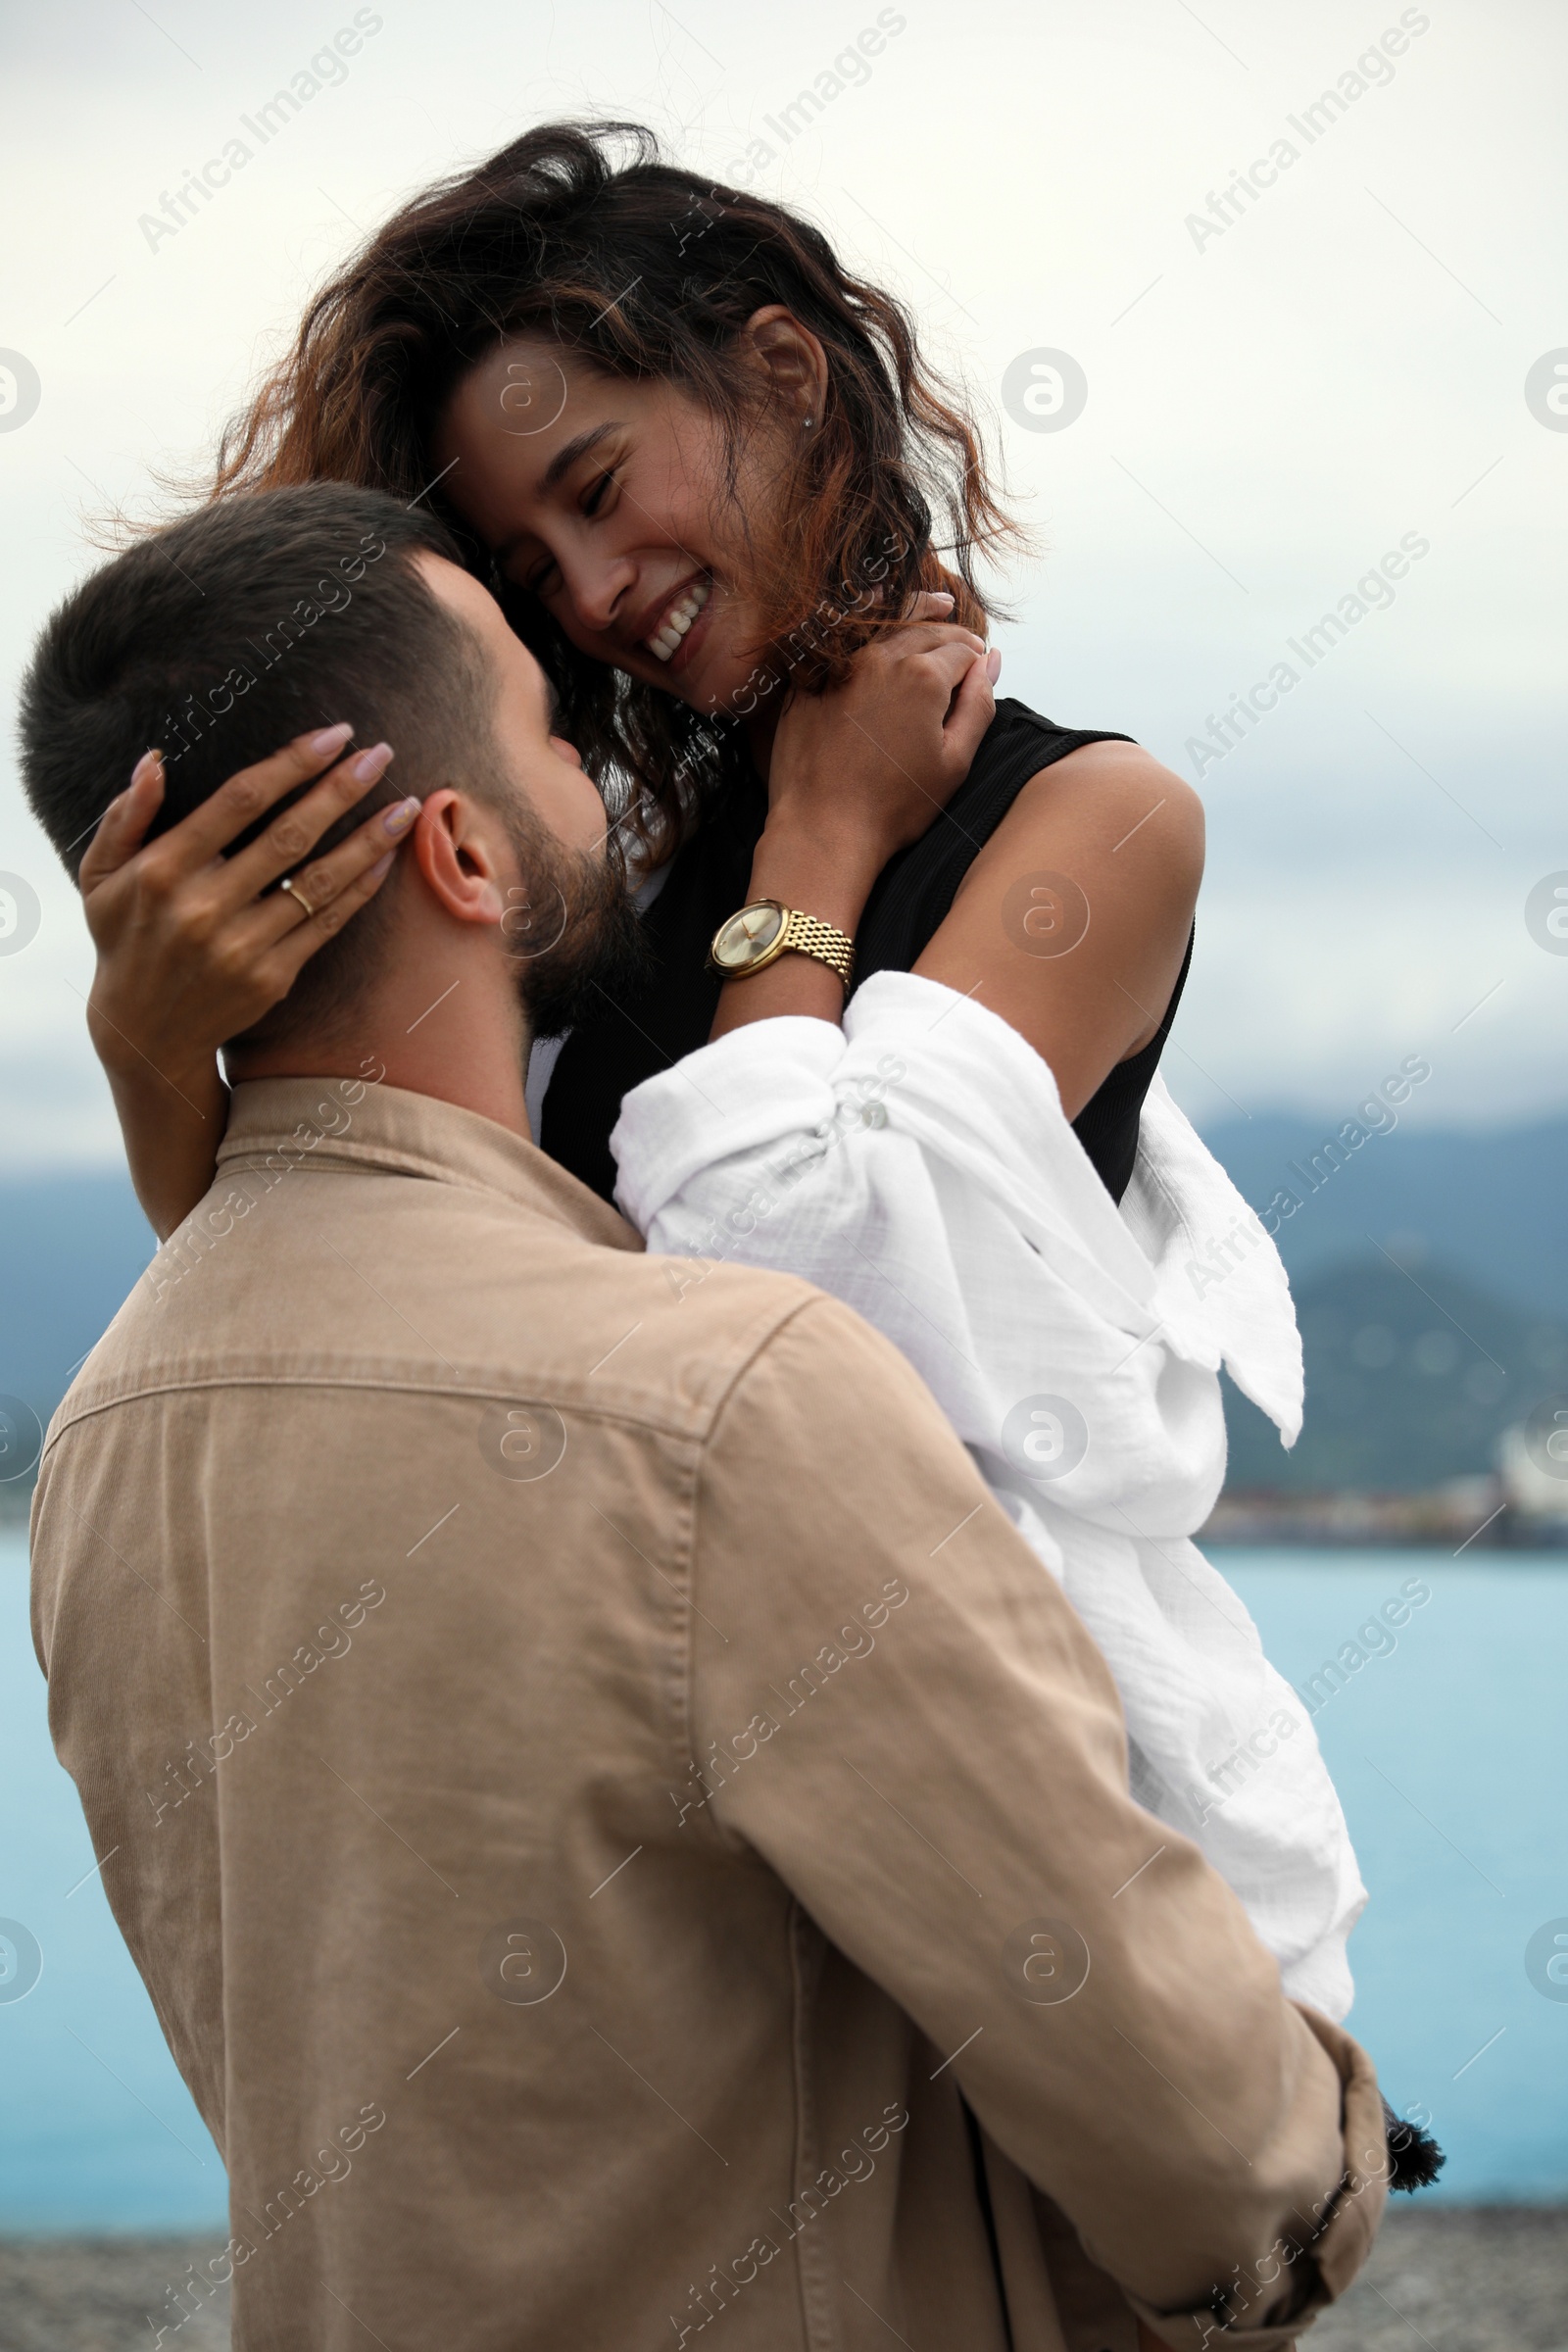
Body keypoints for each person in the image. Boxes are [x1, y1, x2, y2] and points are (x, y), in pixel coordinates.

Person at [22, 482, 1389, 2350]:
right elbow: (1211, 2150)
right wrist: (1319, 2159)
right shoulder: (721, 1398)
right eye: (533, 713)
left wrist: (149, 1064)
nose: (596, 751)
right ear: (466, 857)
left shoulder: (99, 1434)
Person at [74, 122, 1369, 2018]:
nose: (594, 591)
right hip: (700, 1853)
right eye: (531, 563)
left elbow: (803, 1350)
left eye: (600, 487)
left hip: (1005, 1886)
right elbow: (391, 1302)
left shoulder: (1092, 822)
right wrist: (143, 1048)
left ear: (780, 371)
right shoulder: (616, 877)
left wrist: (820, 860)